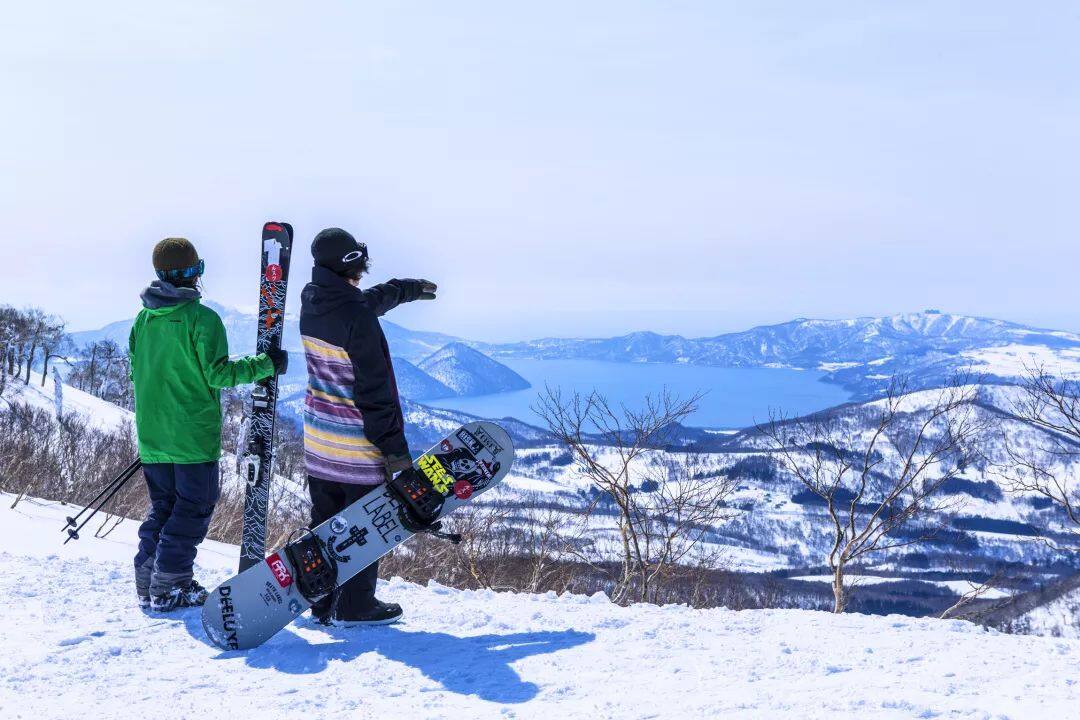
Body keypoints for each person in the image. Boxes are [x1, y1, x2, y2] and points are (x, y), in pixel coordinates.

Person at [129, 237, 287, 611]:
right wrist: (266, 365)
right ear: (194, 273)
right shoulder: (202, 319)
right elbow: (218, 375)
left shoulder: (143, 319)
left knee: (164, 507)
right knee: (194, 506)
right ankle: (170, 583)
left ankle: (149, 578)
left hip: (153, 437)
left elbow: (137, 371)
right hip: (191, 436)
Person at [299, 227, 436, 626]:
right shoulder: (356, 315)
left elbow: (358, 304)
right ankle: (355, 605)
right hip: (355, 442)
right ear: (352, 266)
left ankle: (322, 599)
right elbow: (375, 393)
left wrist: (401, 290)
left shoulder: (313, 299)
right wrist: (395, 450)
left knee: (325, 519)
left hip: (319, 437)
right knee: (363, 525)